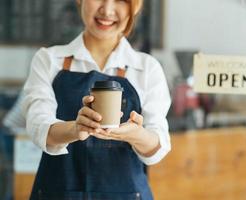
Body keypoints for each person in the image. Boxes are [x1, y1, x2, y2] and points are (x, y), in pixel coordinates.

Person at [21, 0, 171, 199]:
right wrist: (76, 129)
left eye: (120, 0)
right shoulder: (49, 60)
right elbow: (38, 127)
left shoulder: (146, 68)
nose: (107, 10)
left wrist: (135, 134)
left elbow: (157, 146)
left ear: (134, 7)